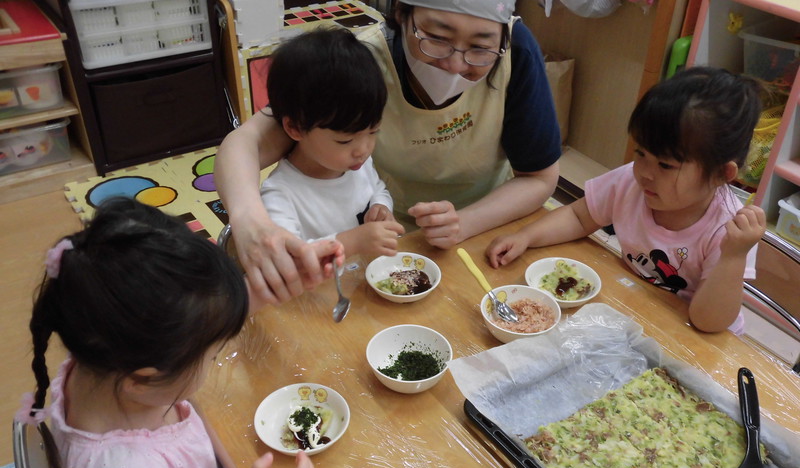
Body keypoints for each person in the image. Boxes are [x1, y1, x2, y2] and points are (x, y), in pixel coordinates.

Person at [17, 199, 316, 468]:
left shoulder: (102, 357)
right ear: (144, 380)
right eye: (212, 355)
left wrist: (266, 291)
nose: (215, 360)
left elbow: (187, 322)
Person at [215, 0, 562, 305]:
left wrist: (464, 223)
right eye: (437, 38)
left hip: (490, 230)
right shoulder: (362, 65)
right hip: (390, 244)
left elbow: (539, 178)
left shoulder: (516, 51)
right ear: (401, 14)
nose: (456, 65)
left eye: (480, 47)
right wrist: (249, 221)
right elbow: (247, 143)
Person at [485, 66, 766, 334]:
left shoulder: (728, 231)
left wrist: (733, 256)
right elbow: (579, 217)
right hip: (635, 304)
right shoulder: (630, 183)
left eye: (665, 165)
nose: (644, 173)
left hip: (691, 331)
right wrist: (526, 236)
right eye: (641, 153)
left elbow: (709, 322)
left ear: (720, 174)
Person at [261, 27, 405, 257]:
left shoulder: (355, 164)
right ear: (295, 128)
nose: (363, 149)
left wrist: (381, 207)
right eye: (345, 140)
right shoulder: (280, 194)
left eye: (373, 131)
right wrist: (351, 242)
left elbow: (377, 188)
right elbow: (289, 259)